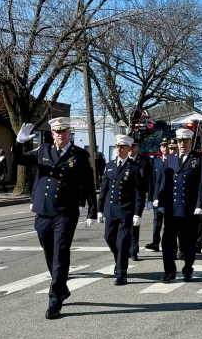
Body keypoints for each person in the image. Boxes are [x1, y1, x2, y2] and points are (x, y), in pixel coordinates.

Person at [13, 117, 97, 320]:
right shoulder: (42, 150)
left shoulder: (79, 156)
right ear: (52, 134)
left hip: (65, 213)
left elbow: (88, 184)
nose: (60, 134)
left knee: (60, 255)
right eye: (57, 132)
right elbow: (19, 160)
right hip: (43, 212)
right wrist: (18, 143)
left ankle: (54, 302)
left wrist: (93, 210)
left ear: (70, 134)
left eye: (64, 131)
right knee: (49, 254)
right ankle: (62, 288)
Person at [154, 127, 202, 281]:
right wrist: (159, 198)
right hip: (172, 208)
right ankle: (169, 271)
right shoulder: (170, 158)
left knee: (188, 242)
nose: (182, 144)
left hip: (189, 209)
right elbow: (164, 180)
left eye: (185, 141)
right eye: (180, 141)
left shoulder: (198, 159)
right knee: (168, 242)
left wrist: (200, 204)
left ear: (191, 142)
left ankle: (187, 268)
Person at [97, 135, 145, 285]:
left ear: (128, 149)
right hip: (110, 210)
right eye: (117, 146)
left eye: (122, 147)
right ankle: (118, 260)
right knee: (109, 238)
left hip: (126, 210)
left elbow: (139, 193)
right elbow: (103, 189)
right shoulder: (110, 165)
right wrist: (99, 209)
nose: (118, 149)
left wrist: (138, 212)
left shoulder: (134, 168)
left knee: (122, 242)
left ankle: (121, 273)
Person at [127, 138, 152, 260]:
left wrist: (150, 199)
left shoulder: (144, 161)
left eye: (133, 146)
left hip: (138, 197)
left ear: (137, 148)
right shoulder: (122, 160)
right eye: (129, 146)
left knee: (134, 224)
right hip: (124, 198)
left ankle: (133, 250)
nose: (131, 148)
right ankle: (127, 248)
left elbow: (149, 180)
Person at [145, 138, 169, 252]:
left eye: (167, 146)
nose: (165, 148)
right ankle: (155, 243)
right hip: (157, 197)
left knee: (169, 223)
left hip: (169, 198)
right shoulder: (156, 161)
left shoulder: (174, 161)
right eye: (163, 146)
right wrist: (151, 198)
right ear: (160, 148)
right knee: (157, 222)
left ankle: (168, 243)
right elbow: (152, 181)